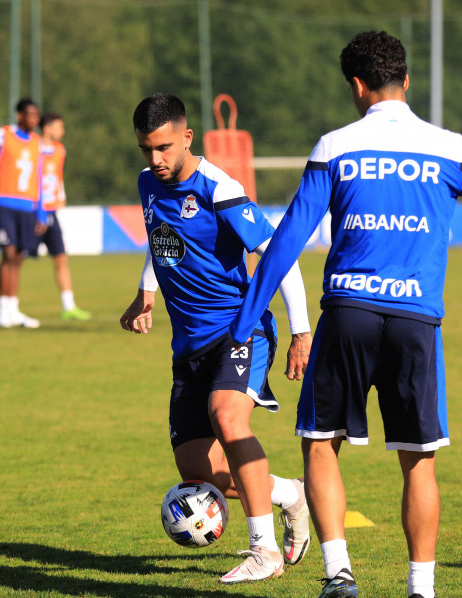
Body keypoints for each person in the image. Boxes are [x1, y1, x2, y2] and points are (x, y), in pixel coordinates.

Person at [228, 31, 462, 598]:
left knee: (320, 444)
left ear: (357, 85)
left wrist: (246, 318)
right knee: (417, 461)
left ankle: (339, 577)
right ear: (406, 79)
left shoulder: (335, 146)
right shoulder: (450, 147)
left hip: (348, 314)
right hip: (416, 321)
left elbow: (286, 242)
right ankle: (421, 589)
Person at [119, 93, 313, 584]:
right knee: (199, 472)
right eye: (146, 150)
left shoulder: (218, 189)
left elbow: (278, 255)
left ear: (187, 136)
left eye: (164, 147)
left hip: (238, 329)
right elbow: (161, 237)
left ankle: (263, 551)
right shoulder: (149, 184)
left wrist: (300, 330)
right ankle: (292, 494)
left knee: (228, 417)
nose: (156, 160)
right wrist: (146, 292)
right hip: (187, 346)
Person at [0, 98, 46, 329]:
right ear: (20, 116)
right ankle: (2, 309)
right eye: (30, 115)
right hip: (5, 203)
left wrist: (42, 212)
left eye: (37, 116)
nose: (35, 120)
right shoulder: (2, 135)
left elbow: (39, 178)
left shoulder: (37, 143)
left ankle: (14, 309)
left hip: (27, 206)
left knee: (19, 257)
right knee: (7, 254)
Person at [38, 112, 92, 321]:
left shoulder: (60, 150)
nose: (63, 131)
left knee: (60, 258)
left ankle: (68, 306)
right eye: (59, 127)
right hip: (33, 212)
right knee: (15, 259)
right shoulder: (34, 149)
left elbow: (57, 176)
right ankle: (7, 303)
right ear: (47, 128)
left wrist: (61, 195)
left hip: (52, 212)